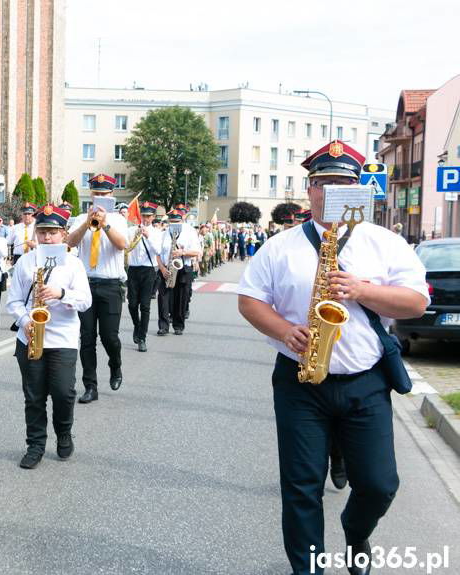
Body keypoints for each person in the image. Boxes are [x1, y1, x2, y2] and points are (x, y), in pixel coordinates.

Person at [237, 140, 429, 575]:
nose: (333, 190)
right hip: (300, 382)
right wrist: (285, 331)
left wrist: (361, 290)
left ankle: (355, 529)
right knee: (302, 487)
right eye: (325, 183)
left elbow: (415, 303)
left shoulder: (386, 242)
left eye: (345, 182)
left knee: (380, 485)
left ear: (360, 190)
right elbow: (249, 300)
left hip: (365, 380)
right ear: (310, 190)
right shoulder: (281, 246)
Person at [9, 204, 91, 469]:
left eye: (53, 232)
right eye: (42, 231)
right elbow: (14, 301)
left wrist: (61, 294)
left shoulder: (74, 264)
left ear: (64, 234)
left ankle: (64, 432)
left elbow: (86, 301)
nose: (46, 237)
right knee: (33, 395)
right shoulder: (25, 262)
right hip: (30, 337)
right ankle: (35, 445)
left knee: (64, 392)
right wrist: (23, 321)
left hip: (63, 339)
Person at [66, 174, 127, 403]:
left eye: (104, 194)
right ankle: (90, 386)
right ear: (91, 195)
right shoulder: (82, 217)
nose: (100, 197)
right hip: (86, 284)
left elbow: (122, 245)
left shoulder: (119, 219)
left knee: (110, 337)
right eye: (96, 194)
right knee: (87, 338)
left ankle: (115, 364)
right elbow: (70, 242)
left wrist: (105, 224)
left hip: (111, 285)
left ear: (111, 195)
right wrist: (87, 222)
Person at [157, 210, 201, 336]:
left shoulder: (190, 232)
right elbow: (158, 254)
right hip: (166, 268)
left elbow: (196, 251)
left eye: (176, 222)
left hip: (183, 269)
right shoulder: (164, 233)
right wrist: (162, 268)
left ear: (182, 220)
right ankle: (163, 326)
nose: (174, 224)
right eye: (171, 222)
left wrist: (182, 253)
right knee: (163, 298)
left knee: (181, 298)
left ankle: (178, 325)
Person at [125, 201, 161, 352]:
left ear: (153, 217)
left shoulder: (157, 232)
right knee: (132, 304)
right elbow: (125, 247)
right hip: (133, 270)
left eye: (148, 216)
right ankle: (137, 326)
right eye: (143, 216)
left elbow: (158, 251)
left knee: (145, 306)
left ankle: (142, 338)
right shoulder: (131, 230)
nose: (145, 219)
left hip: (148, 271)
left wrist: (148, 236)